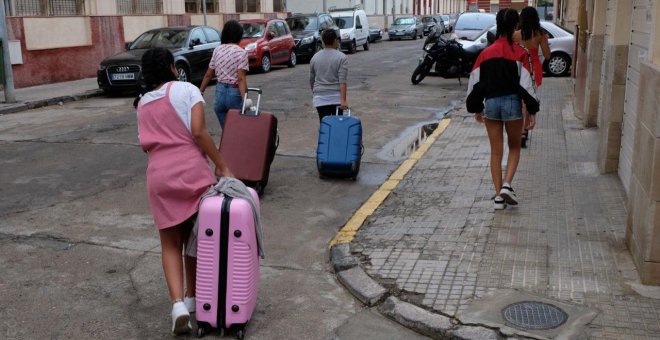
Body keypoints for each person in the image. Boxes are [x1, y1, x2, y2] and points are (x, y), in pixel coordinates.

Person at [136, 48, 233, 334]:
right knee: (196, 238)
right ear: (170, 66)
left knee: (169, 244)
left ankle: (178, 304)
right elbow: (199, 132)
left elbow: (145, 145)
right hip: (192, 173)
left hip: (159, 176)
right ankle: (194, 297)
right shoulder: (187, 89)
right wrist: (222, 166)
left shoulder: (142, 103)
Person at [466, 8, 539, 210]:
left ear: (498, 24)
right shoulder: (520, 53)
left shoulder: (485, 54)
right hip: (512, 104)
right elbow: (527, 85)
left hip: (491, 104)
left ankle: (499, 197)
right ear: (516, 25)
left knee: (495, 152)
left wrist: (476, 108)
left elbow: (475, 83)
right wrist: (532, 110)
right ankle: (507, 184)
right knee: (514, 147)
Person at [199, 20, 249, 129]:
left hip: (220, 93)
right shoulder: (242, 53)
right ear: (239, 35)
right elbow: (241, 79)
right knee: (238, 130)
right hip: (234, 94)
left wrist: (201, 91)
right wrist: (245, 99)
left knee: (226, 131)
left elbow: (208, 74)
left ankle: (228, 145)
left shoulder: (217, 50)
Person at [514, 6, 550, 147]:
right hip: (533, 67)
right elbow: (547, 55)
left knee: (520, 99)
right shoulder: (541, 34)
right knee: (529, 99)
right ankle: (524, 130)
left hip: (519, 67)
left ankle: (520, 130)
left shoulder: (515, 35)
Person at [309, 29, 349, 121]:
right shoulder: (342, 57)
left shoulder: (315, 58)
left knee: (325, 126)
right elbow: (342, 80)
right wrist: (343, 100)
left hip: (320, 98)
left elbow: (311, 79)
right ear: (335, 40)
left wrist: (315, 93)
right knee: (337, 126)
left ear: (323, 41)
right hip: (336, 98)